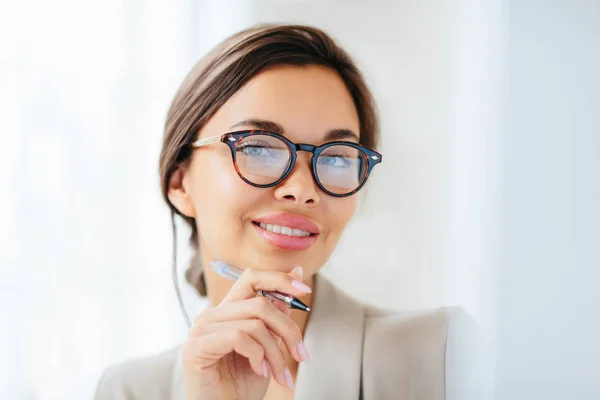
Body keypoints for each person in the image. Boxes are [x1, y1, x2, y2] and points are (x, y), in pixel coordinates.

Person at [94, 23, 477, 400]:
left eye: (338, 158)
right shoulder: (128, 391)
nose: (302, 190)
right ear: (180, 183)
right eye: (258, 148)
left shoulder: (445, 357)